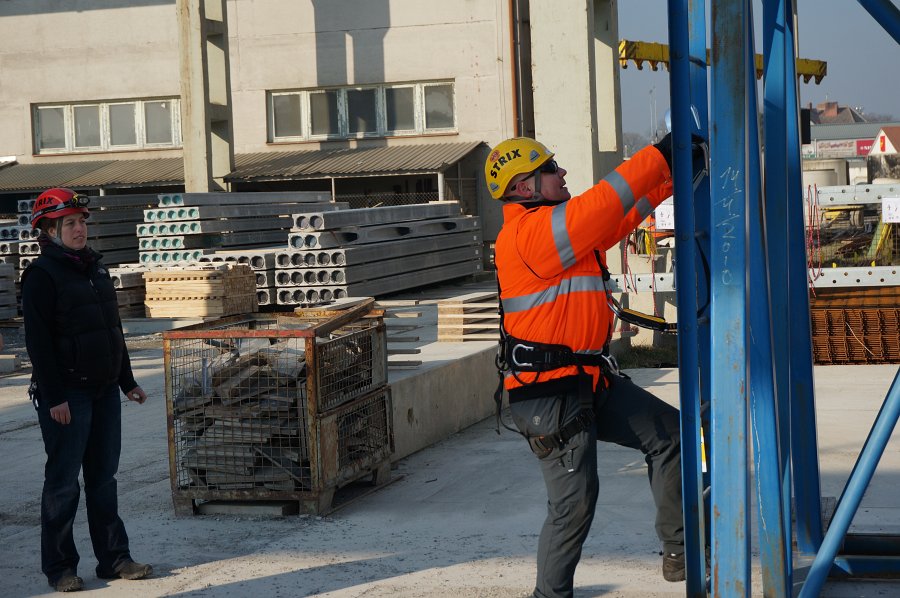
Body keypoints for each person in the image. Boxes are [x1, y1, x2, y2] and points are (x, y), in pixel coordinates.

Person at [487, 135, 703, 597]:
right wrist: (660, 155)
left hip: (585, 379)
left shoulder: (560, 234)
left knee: (671, 435)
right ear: (523, 188)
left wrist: (670, 179)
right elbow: (604, 202)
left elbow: (619, 214)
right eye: (551, 168)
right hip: (548, 394)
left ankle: (680, 550)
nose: (562, 172)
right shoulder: (529, 235)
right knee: (574, 504)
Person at [22, 187, 153, 593]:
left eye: (81, 222)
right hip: (68, 395)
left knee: (103, 479)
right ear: (50, 230)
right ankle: (60, 568)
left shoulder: (96, 270)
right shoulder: (42, 276)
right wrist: (55, 397)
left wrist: (126, 381)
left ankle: (114, 558)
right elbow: (38, 343)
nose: (80, 229)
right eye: (70, 224)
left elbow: (113, 330)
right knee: (63, 483)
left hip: (103, 390)